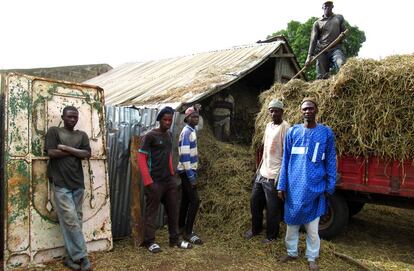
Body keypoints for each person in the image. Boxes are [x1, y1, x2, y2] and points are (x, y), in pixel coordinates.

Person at [277, 98, 337, 271]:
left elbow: (331, 161)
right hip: (294, 188)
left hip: (315, 188)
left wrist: (330, 185)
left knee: (312, 229)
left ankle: (312, 257)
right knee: (292, 224)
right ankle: (291, 252)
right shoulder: (293, 132)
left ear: (316, 110)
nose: (307, 111)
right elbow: (286, 160)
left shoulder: (326, 133)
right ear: (300, 110)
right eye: (304, 109)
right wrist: (281, 185)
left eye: (310, 108)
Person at [137, 106, 192, 253]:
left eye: (170, 120)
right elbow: (141, 158)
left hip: (168, 181)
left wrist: (172, 173)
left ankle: (174, 240)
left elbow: (168, 156)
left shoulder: (168, 135)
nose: (168, 122)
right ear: (159, 120)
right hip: (154, 181)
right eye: (165, 120)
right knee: (151, 212)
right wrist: (148, 182)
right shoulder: (149, 136)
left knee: (173, 209)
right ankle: (150, 241)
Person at [45, 106, 92, 271]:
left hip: (78, 183)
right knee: (71, 220)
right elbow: (51, 153)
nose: (73, 119)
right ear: (63, 117)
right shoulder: (54, 131)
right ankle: (83, 257)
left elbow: (87, 154)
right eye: (70, 117)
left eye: (75, 117)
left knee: (75, 221)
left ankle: (69, 258)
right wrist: (76, 152)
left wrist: (65, 148)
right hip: (60, 183)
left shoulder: (82, 135)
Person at [244, 99, 290, 243]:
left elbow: (287, 154)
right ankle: (256, 228)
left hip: (274, 174)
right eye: (271, 110)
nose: (273, 113)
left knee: (272, 207)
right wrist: (258, 169)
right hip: (263, 172)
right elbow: (265, 150)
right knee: (255, 201)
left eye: (276, 110)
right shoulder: (268, 126)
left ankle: (272, 236)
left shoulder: (286, 127)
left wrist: (280, 177)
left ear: (282, 112)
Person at [177, 106, 203, 245]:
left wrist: (197, 108)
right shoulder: (186, 132)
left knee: (186, 201)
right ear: (187, 119)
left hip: (188, 171)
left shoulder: (192, 130)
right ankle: (188, 232)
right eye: (193, 117)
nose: (196, 119)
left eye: (197, 116)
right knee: (195, 201)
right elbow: (185, 156)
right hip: (187, 172)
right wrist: (191, 176)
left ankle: (180, 227)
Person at [305, 1, 347, 79]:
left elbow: (344, 32)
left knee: (341, 64)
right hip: (322, 51)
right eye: (325, 6)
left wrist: (343, 35)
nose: (327, 7)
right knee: (321, 77)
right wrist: (309, 56)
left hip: (336, 49)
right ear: (322, 7)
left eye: (329, 6)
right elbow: (313, 40)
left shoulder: (339, 18)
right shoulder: (317, 23)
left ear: (332, 7)